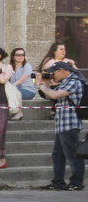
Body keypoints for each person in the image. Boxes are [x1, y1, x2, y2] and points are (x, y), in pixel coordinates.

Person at [38, 62, 85, 191]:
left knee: (73, 155)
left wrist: (40, 84)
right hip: (62, 123)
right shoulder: (65, 82)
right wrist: (46, 84)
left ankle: (77, 182)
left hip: (70, 123)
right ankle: (58, 182)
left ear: (63, 70)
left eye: (54, 72)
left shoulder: (73, 81)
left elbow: (55, 95)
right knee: (57, 155)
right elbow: (50, 95)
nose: (52, 74)